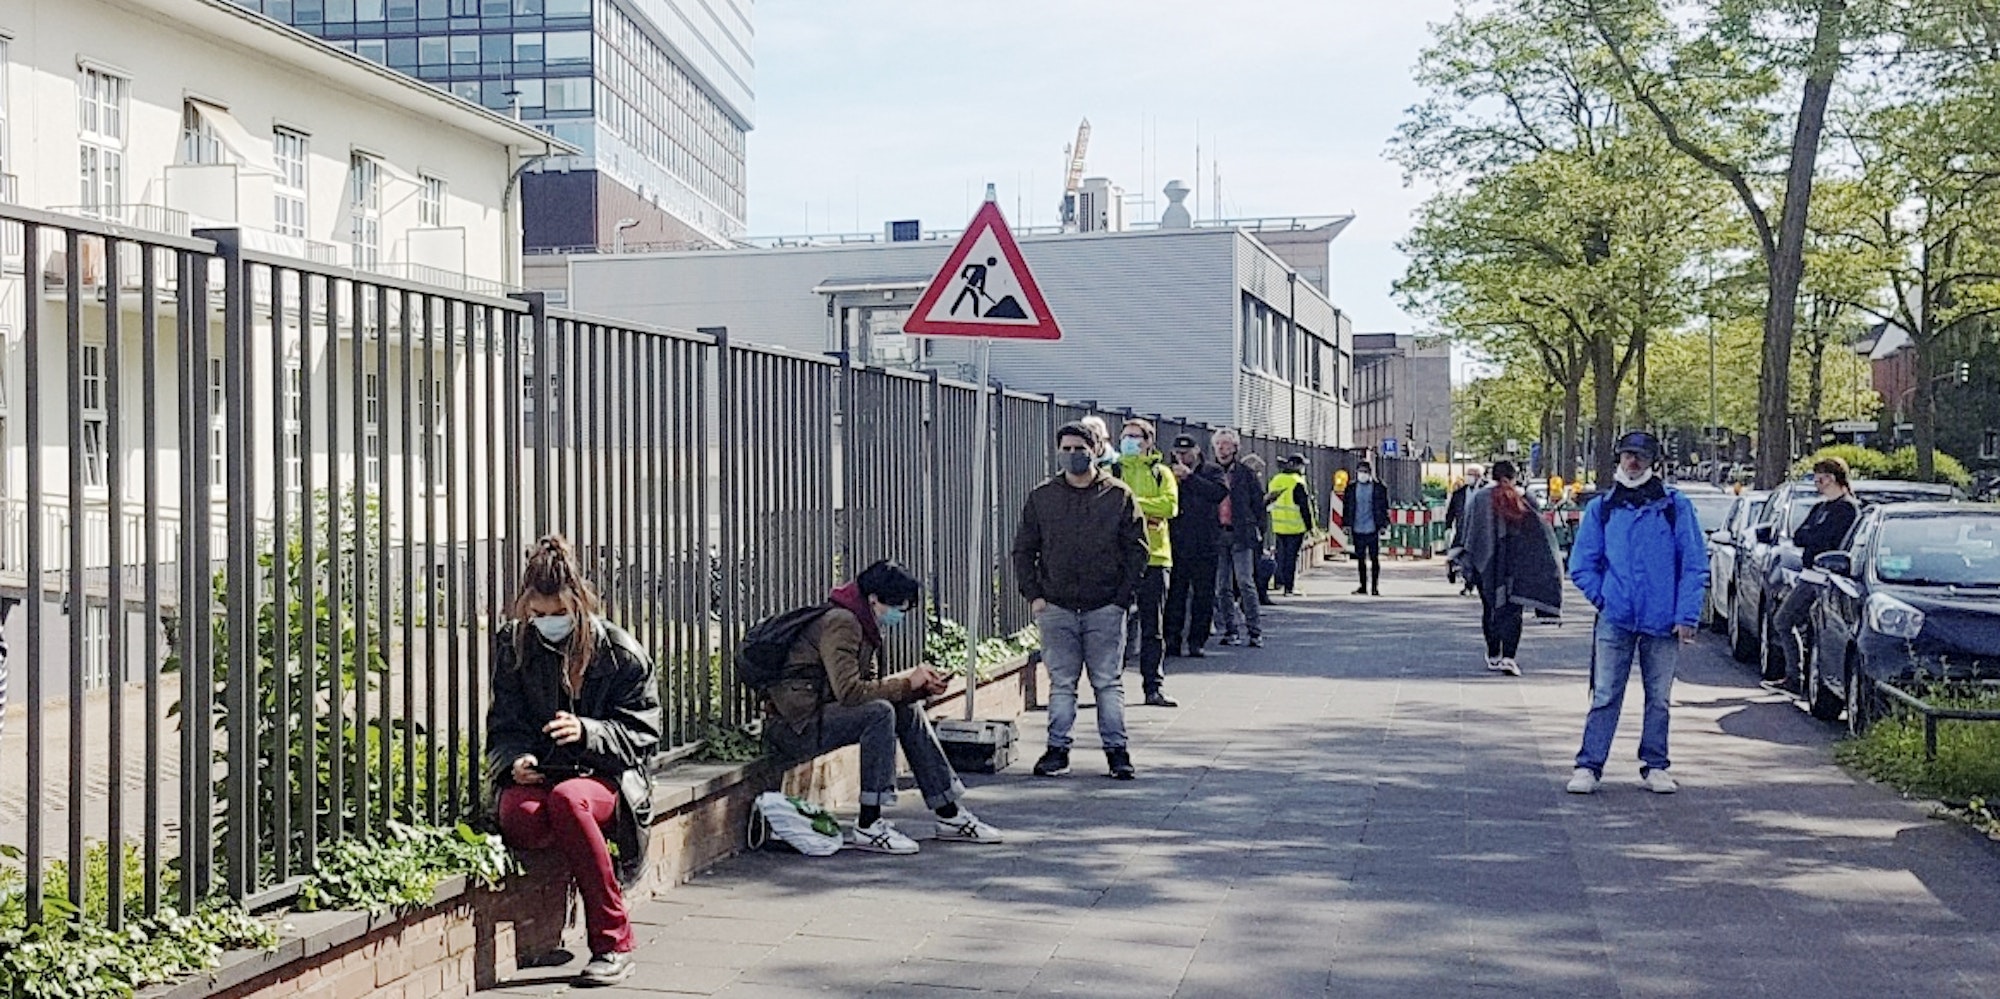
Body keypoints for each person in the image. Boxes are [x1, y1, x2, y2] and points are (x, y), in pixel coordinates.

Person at [486, 535, 662, 987]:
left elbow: (643, 734)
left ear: (580, 602)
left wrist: (589, 731)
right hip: (542, 772)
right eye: (538, 615)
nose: (548, 623)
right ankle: (577, 861)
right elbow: (504, 723)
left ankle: (612, 943)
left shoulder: (620, 651)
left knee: (568, 802)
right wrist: (515, 762)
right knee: (521, 816)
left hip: (605, 776)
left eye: (559, 613)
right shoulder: (515, 644)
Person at [763, 560, 1003, 854]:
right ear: (874, 599)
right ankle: (869, 823)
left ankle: (949, 812)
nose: (899, 615)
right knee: (880, 713)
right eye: (897, 608)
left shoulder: (864, 622)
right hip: (794, 726)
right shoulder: (843, 623)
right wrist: (906, 684)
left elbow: (870, 688)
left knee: (904, 709)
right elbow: (851, 693)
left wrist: (917, 689)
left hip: (818, 714)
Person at [1565, 432, 1708, 795]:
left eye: (1641, 457)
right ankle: (1589, 766)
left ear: (1652, 462)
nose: (1633, 462)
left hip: (1662, 621)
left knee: (1659, 697)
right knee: (1604, 694)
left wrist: (1686, 615)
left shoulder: (1676, 506)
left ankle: (1656, 764)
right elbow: (1582, 563)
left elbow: (1693, 563)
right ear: (1618, 458)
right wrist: (1605, 600)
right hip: (1617, 617)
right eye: (1628, 455)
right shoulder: (1603, 508)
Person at [1013, 421, 1148, 779]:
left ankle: (1117, 752)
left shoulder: (1118, 495)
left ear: (1095, 450)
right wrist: (1035, 595)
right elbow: (1024, 549)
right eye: (1066, 449)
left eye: (1079, 449)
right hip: (1056, 605)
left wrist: (1122, 597)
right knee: (1062, 683)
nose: (1072, 455)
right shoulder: (1043, 496)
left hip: (1105, 604)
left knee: (1107, 682)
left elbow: (1137, 551)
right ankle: (1057, 750)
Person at [1454, 461, 1562, 676]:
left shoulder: (1479, 499)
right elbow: (1540, 534)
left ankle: (1493, 653)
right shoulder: (1526, 498)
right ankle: (1508, 657)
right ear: (1515, 477)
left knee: (1490, 609)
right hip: (1517, 567)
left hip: (1486, 567)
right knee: (1514, 612)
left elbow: (1468, 531)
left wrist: (1461, 560)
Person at [1768, 456, 1862, 688]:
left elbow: (1828, 540)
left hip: (1827, 579)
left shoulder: (1847, 509)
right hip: (1809, 575)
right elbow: (1800, 536)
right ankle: (1794, 675)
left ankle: (1813, 679)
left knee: (1821, 631)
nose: (1816, 483)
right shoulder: (1821, 508)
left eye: (1818, 478)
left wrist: (1814, 536)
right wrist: (1814, 535)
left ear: (1831, 478)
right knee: (1783, 620)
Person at [1112, 419, 1181, 708]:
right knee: (1115, 625)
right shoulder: (1112, 471)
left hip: (1156, 557)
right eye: (1125, 436)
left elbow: (1170, 507)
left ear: (1148, 441)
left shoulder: (1161, 472)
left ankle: (1154, 687)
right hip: (1119, 558)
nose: (1130, 441)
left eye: (1136, 437)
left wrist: (1132, 503)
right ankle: (1110, 687)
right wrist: (1145, 507)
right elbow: (1108, 506)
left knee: (1153, 627)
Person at [1163, 434, 1227, 670]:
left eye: (1186, 453)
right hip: (1178, 542)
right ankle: (1172, 639)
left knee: (1203, 595)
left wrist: (1190, 479)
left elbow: (1218, 493)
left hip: (1205, 543)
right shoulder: (1168, 473)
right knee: (1176, 595)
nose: (1182, 458)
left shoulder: (1211, 471)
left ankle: (1197, 641)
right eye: (1178, 454)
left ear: (1197, 451)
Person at [1210, 429, 1267, 648]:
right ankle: (1230, 629)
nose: (1222, 449)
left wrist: (1258, 531)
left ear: (1235, 448)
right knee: (1222, 585)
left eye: (1226, 445)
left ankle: (1254, 630)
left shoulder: (1245, 474)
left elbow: (1258, 505)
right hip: (1217, 534)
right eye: (1218, 445)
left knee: (1245, 581)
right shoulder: (1210, 472)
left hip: (1241, 533)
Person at [1266, 454, 1316, 596]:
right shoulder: (1297, 482)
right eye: (1302, 465)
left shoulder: (1275, 480)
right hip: (1295, 527)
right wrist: (1310, 527)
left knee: (1280, 556)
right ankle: (1289, 587)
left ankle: (1278, 582)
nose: (1303, 468)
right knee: (1291, 558)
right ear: (1296, 466)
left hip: (1279, 525)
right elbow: (1304, 507)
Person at [1341, 460, 1390, 596]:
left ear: (1370, 473)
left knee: (1374, 558)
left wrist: (1383, 525)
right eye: (1360, 471)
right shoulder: (1351, 488)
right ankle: (1363, 586)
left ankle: (1374, 587)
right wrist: (1346, 524)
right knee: (1360, 558)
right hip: (1357, 528)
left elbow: (1384, 507)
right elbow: (1347, 507)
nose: (1362, 474)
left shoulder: (1379, 488)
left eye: (1365, 471)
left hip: (1373, 528)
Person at [1445, 465, 1487, 595]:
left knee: (1478, 561)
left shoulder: (1486, 491)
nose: (1469, 477)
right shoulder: (1459, 493)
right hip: (1463, 531)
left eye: (1472, 474)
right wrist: (1448, 526)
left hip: (1481, 533)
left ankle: (1477, 584)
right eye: (1468, 474)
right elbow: (1451, 511)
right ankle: (1467, 583)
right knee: (1463, 559)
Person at [1242, 453, 1277, 605]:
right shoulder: (1245, 483)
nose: (1259, 474)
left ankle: (1258, 597)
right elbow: (1252, 506)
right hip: (1250, 532)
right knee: (1258, 567)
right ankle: (1254, 599)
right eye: (1257, 471)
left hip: (1256, 531)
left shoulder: (1250, 482)